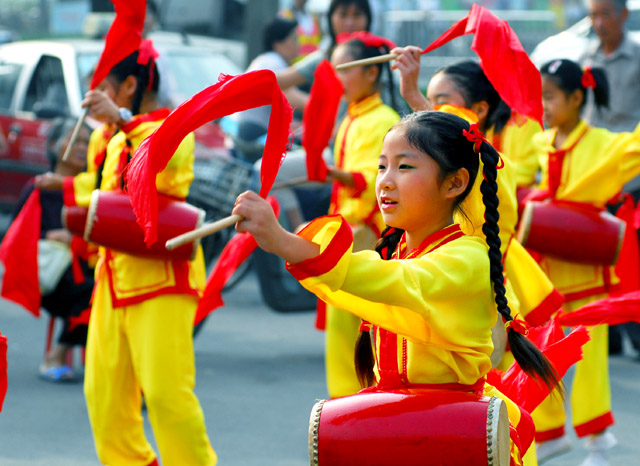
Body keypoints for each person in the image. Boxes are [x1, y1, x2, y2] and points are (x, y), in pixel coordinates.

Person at [232, 110, 561, 464]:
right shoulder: (400, 255)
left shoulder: (468, 257)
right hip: (400, 429)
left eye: (404, 167)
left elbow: (403, 282)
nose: (386, 182)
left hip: (454, 435)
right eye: (382, 166)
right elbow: (367, 283)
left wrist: (284, 241)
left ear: (455, 183)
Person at [41, 42, 217, 465]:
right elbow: (103, 189)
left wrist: (120, 119)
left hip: (161, 281)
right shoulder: (115, 134)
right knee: (104, 396)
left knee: (165, 395)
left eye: (107, 88)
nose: (99, 96)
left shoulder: (172, 128)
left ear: (131, 86)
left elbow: (160, 172)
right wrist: (63, 186)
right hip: (113, 277)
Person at [530, 58, 640, 466]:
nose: (544, 105)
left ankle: (600, 443)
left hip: (586, 268)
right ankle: (550, 433)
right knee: (540, 355)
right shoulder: (540, 143)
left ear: (577, 98)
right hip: (545, 273)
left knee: (591, 361)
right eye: (540, 96)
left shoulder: (604, 143)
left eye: (551, 97)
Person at [320, 32, 400, 398]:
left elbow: (375, 181)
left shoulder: (383, 117)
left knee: (357, 323)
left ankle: (355, 405)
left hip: (364, 231)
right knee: (344, 322)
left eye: (345, 69)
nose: (338, 78)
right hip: (346, 227)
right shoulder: (354, 116)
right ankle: (345, 403)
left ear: (371, 73)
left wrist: (326, 172)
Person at [579, 0, 640, 356]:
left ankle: (635, 332)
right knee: (602, 256)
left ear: (623, 15)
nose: (599, 22)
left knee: (633, 260)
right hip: (597, 172)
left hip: (633, 174)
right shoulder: (588, 54)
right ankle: (611, 335)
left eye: (605, 14)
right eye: (593, 15)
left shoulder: (637, 56)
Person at [234, 16, 304, 149]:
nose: (298, 45)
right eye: (294, 39)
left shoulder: (264, 60)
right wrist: (329, 106)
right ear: (278, 44)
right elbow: (293, 98)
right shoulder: (274, 63)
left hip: (248, 129)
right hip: (254, 132)